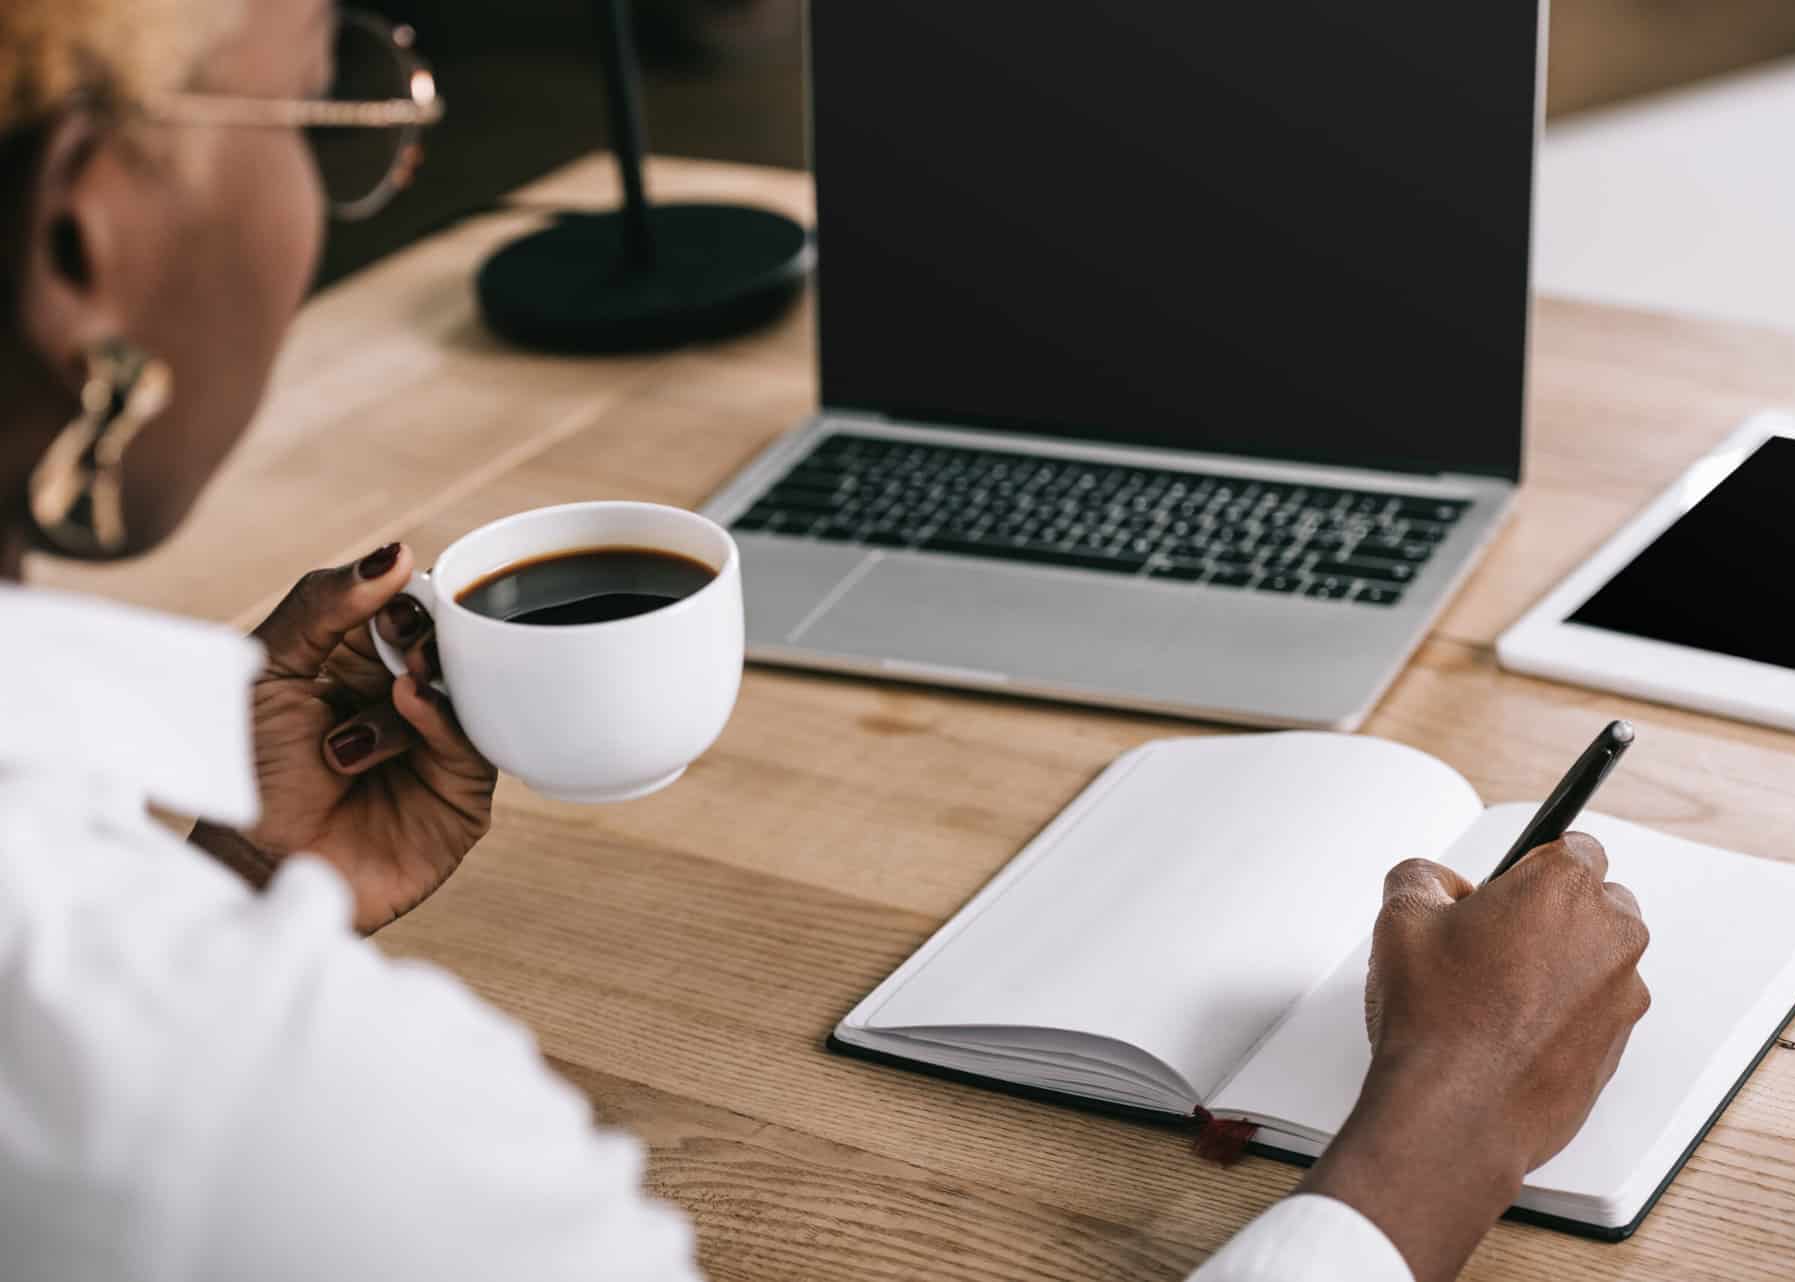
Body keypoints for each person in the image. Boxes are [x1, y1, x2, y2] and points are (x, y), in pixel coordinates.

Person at [0, 3, 1652, 1280]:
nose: (321, 190)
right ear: (85, 241)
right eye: (326, 104)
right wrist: (1434, 1141)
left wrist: (217, 883)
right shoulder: (269, 1114)